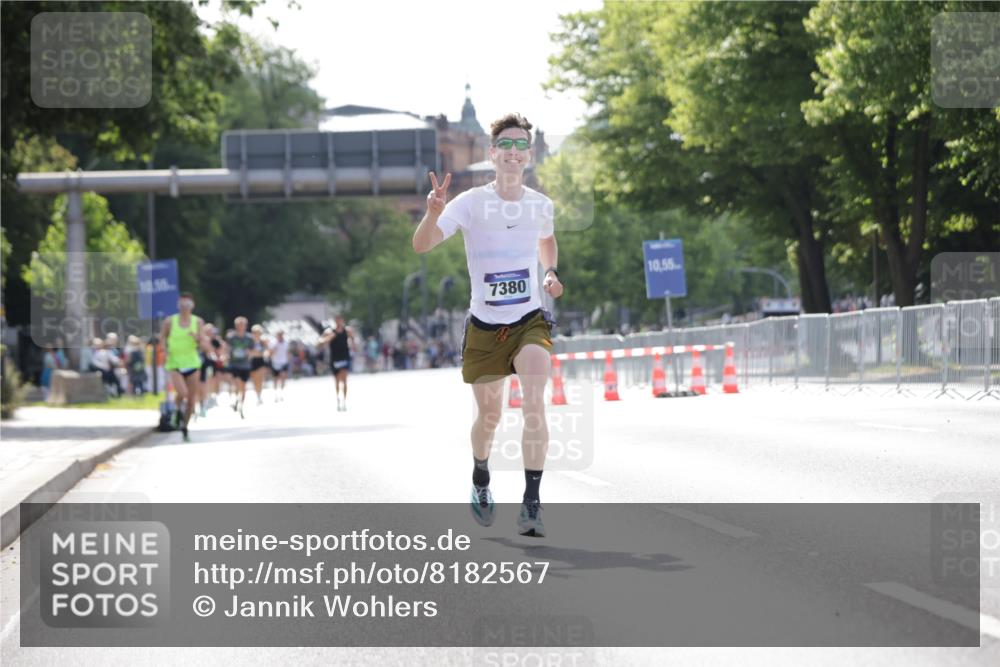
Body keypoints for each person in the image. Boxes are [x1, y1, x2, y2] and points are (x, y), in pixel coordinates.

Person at [411, 112, 563, 537]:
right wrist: (432, 213)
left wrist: (549, 272)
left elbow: (546, 240)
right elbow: (422, 245)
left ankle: (532, 503)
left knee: (535, 400)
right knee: (490, 415)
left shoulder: (540, 205)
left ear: (528, 155)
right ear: (493, 153)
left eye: (521, 146)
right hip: (484, 324)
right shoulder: (470, 203)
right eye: (506, 146)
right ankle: (481, 476)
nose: (514, 153)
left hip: (529, 320)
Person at [159, 293, 211, 441]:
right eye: (182, 305)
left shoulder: (198, 322)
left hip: (192, 363)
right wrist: (164, 350)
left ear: (192, 306)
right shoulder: (170, 321)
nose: (185, 308)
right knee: (183, 393)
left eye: (187, 305)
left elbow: (204, 343)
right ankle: (176, 410)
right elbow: (162, 337)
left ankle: (185, 427)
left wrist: (198, 338)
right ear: (178, 305)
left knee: (191, 400)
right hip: (175, 363)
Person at [318, 315, 355, 411]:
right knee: (337, 381)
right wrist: (329, 338)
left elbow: (353, 340)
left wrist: (353, 345)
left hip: (345, 357)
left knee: (345, 379)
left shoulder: (347, 331)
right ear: (335, 321)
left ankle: (345, 401)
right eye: (337, 320)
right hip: (335, 359)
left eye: (340, 320)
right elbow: (320, 342)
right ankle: (338, 399)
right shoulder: (330, 332)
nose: (339, 321)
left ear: (343, 321)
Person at [226, 318, 253, 418]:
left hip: (245, 365)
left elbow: (253, 350)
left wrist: (249, 353)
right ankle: (236, 398)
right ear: (236, 326)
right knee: (237, 382)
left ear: (245, 326)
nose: (241, 327)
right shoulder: (231, 337)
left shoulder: (249, 338)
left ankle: (241, 404)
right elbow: (227, 348)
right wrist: (227, 355)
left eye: (243, 325)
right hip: (234, 364)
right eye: (239, 325)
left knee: (243, 386)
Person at [249, 324, 269, 406]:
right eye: (255, 332)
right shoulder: (250, 341)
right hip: (252, 362)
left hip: (260, 361)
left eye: (258, 332)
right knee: (254, 380)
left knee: (260, 379)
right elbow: (249, 352)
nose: (256, 334)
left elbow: (266, 351)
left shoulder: (263, 342)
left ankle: (259, 396)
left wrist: (261, 354)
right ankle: (257, 394)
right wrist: (256, 353)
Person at [269, 330, 290, 402]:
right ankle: (275, 394)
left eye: (281, 335)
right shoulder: (273, 343)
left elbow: (287, 352)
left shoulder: (286, 343)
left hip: (284, 362)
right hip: (275, 362)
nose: (280, 336)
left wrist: (288, 360)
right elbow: (270, 353)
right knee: (276, 379)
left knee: (283, 377)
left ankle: (282, 393)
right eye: (279, 335)